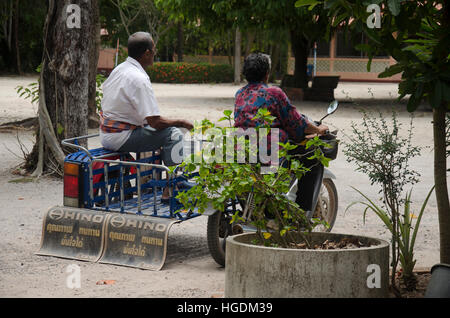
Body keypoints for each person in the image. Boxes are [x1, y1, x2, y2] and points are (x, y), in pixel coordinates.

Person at [100, 31, 193, 202]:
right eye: (154, 50)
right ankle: (172, 188)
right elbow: (155, 122)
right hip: (121, 136)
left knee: (160, 131)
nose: (155, 53)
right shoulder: (140, 78)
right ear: (147, 53)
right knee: (174, 134)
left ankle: (161, 181)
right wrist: (182, 122)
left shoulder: (119, 69)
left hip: (107, 134)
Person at [234, 52, 329, 213]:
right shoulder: (274, 93)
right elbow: (296, 123)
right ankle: (301, 214)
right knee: (314, 160)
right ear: (267, 74)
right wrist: (318, 129)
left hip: (240, 150)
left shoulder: (240, 94)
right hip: (268, 153)